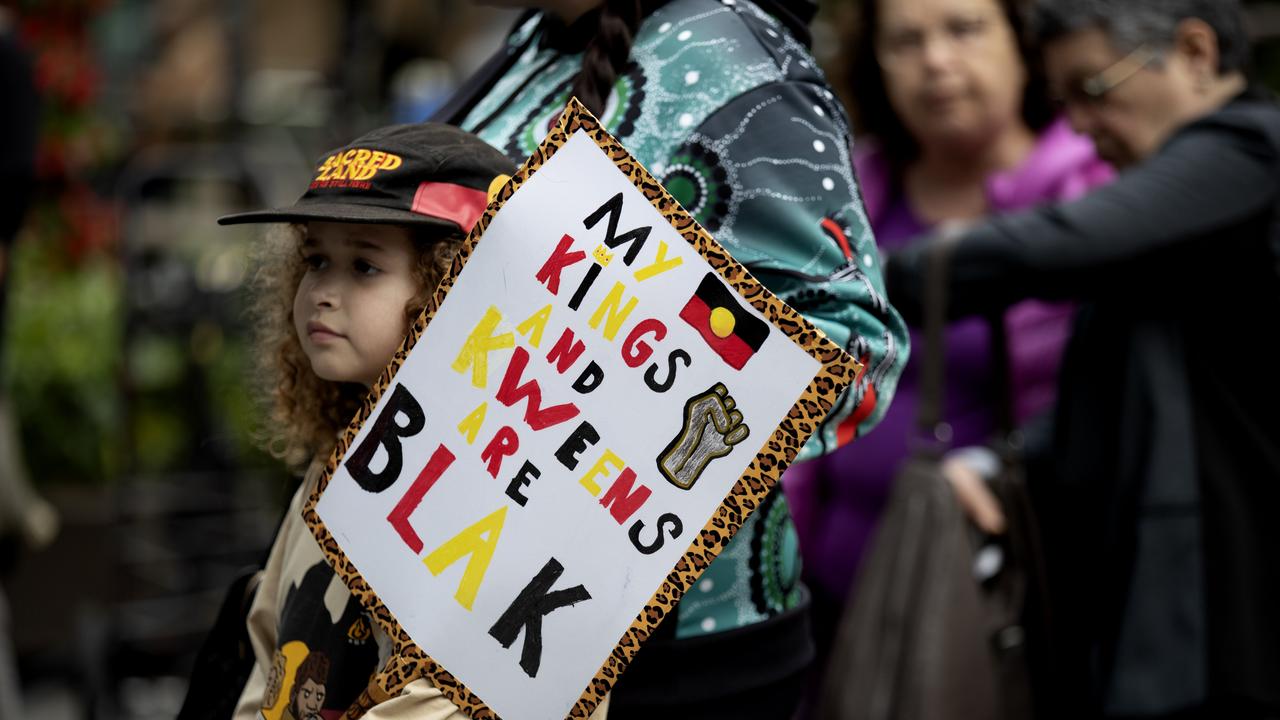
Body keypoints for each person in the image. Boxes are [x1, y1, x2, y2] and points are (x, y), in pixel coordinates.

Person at [432, 0, 910, 716]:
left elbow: (852, 350)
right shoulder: (540, 38)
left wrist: (603, 418)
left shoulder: (726, 56)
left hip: (675, 648)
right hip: (476, 603)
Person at [886, 0, 1280, 717]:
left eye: (1093, 89)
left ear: (1196, 54)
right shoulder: (1192, 221)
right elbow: (1123, 383)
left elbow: (1054, 243)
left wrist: (873, 279)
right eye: (1065, 100)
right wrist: (1003, 462)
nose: (1079, 126)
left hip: (1228, 622)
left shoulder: (1250, 151)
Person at [216, 123, 608, 719]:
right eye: (316, 259)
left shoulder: (519, 519)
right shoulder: (339, 463)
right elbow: (264, 655)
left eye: (364, 267)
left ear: (454, 287)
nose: (321, 291)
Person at [780, 0, 1112, 685]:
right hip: (822, 596)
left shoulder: (1093, 195)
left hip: (988, 607)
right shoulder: (847, 186)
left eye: (963, 28)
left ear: (1023, 45)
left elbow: (1109, 401)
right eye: (906, 40)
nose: (935, 61)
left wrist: (998, 466)